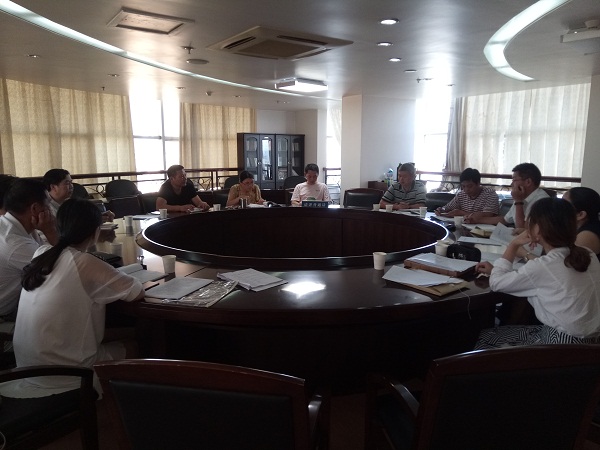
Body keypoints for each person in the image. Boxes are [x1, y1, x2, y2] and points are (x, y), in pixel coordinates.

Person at [0, 198, 144, 398]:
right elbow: (136, 291)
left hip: (27, 366)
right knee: (134, 344)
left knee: (118, 333)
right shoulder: (84, 262)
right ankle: (118, 405)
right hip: (67, 373)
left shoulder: (42, 252)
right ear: (95, 232)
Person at [474, 197, 600, 348]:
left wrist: (513, 244)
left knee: (486, 337)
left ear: (537, 229)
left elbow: (496, 283)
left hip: (561, 345)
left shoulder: (544, 265)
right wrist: (496, 270)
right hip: (592, 343)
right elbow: (552, 277)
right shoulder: (588, 254)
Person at [0, 178, 58, 321]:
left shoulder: (9, 224)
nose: (51, 210)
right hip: (7, 313)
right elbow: (66, 267)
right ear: (35, 209)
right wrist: (50, 231)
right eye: (48, 204)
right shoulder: (15, 244)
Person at [465, 162, 548, 228]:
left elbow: (522, 227)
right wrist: (477, 220)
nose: (511, 184)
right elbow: (505, 220)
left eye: (514, 180)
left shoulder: (542, 202)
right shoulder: (522, 196)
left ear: (528, 182)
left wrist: (518, 201)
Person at [43, 168, 114, 222]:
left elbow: (81, 220)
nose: (71, 186)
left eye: (71, 182)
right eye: (67, 183)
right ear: (53, 187)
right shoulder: (46, 210)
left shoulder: (69, 203)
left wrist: (99, 217)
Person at [434, 168, 499, 220]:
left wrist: (461, 213)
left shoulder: (490, 194)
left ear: (478, 183)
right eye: (463, 186)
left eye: (470, 186)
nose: (466, 189)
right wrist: (441, 210)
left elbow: (488, 215)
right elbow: (448, 207)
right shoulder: (461, 194)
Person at [563, 187, 600, 258]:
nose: (558, 208)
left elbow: (567, 262)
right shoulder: (574, 227)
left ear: (581, 215)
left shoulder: (587, 235)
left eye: (564, 205)